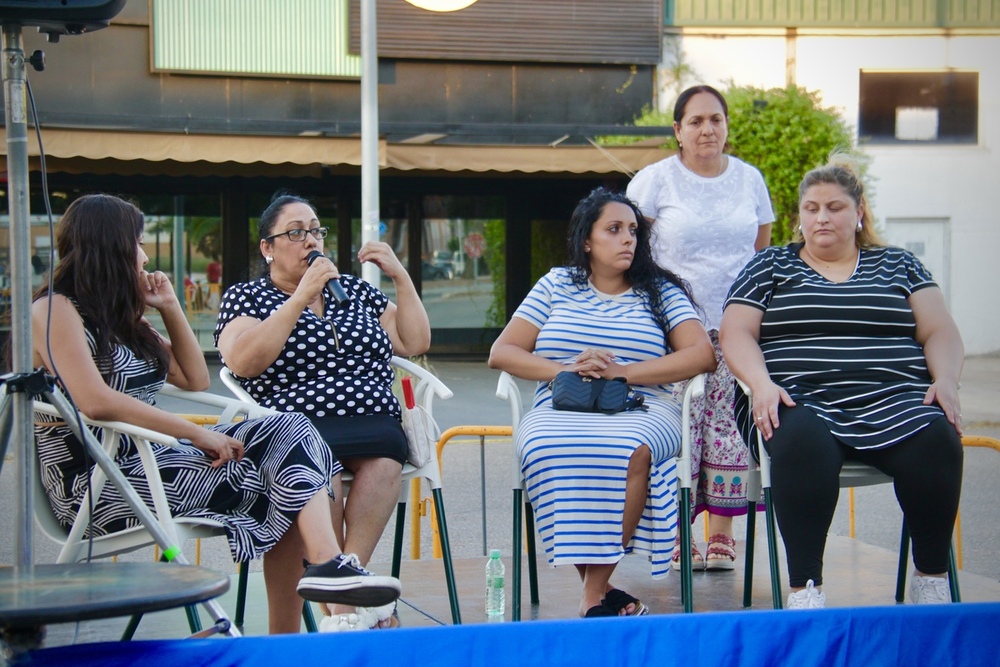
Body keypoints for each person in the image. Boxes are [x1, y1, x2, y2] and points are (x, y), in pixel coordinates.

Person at [31, 194, 401, 635]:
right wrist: (198, 435)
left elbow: (193, 378)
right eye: (138, 243)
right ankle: (314, 606)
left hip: (151, 464)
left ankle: (325, 571)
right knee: (284, 473)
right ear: (108, 246)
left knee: (290, 430)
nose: (145, 255)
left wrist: (169, 307)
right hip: (99, 481)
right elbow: (94, 401)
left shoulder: (120, 319)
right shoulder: (54, 309)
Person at [719, 158, 964, 608]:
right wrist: (761, 383)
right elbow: (736, 331)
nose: (821, 217)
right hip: (799, 400)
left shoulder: (899, 265)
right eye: (811, 208)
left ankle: (931, 578)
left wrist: (947, 378)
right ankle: (805, 588)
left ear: (859, 212)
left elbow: (939, 330)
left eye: (834, 207)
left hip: (895, 401)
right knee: (800, 440)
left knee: (938, 437)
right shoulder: (771, 265)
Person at [488, 187, 716, 618]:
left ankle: (592, 595)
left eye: (632, 230)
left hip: (642, 406)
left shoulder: (660, 292)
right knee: (543, 445)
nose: (627, 238)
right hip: (563, 405)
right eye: (614, 229)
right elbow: (503, 352)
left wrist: (620, 371)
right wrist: (566, 369)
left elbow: (701, 355)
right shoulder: (556, 284)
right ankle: (602, 591)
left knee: (629, 449)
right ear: (587, 241)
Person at [214, 192, 430, 631]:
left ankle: (343, 581)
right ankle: (346, 609)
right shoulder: (248, 297)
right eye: (295, 232)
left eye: (315, 230)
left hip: (373, 421)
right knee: (317, 466)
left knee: (388, 451)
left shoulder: (351, 290)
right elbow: (242, 361)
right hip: (298, 426)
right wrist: (299, 299)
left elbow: (414, 342)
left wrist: (400, 277)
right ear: (268, 248)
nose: (310, 240)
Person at [627, 84, 775, 571]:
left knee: (729, 426)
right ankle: (675, 534)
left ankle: (722, 534)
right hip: (674, 326)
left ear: (727, 127)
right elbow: (633, 250)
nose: (707, 129)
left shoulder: (750, 179)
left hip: (737, 327)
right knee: (680, 427)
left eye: (716, 119)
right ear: (678, 130)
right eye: (695, 121)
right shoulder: (654, 181)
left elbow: (759, 248)